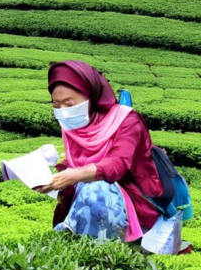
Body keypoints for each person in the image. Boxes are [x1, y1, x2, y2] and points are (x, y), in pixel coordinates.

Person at [35, 60, 164, 243]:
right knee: (88, 188)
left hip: (132, 199)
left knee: (95, 189)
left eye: (69, 104)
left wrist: (75, 175)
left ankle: (110, 247)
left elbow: (117, 164)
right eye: (56, 104)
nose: (62, 111)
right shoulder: (76, 124)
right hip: (85, 196)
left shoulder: (127, 121)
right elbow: (77, 162)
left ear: (91, 96)